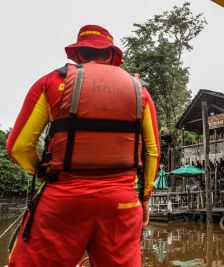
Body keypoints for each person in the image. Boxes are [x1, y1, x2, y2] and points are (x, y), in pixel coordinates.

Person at [6, 25, 160, 267]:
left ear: (77, 54)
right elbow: (152, 152)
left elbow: (18, 146)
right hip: (122, 202)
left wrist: (42, 170)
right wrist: (145, 198)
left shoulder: (52, 82)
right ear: (111, 55)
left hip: (63, 199)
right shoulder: (140, 91)